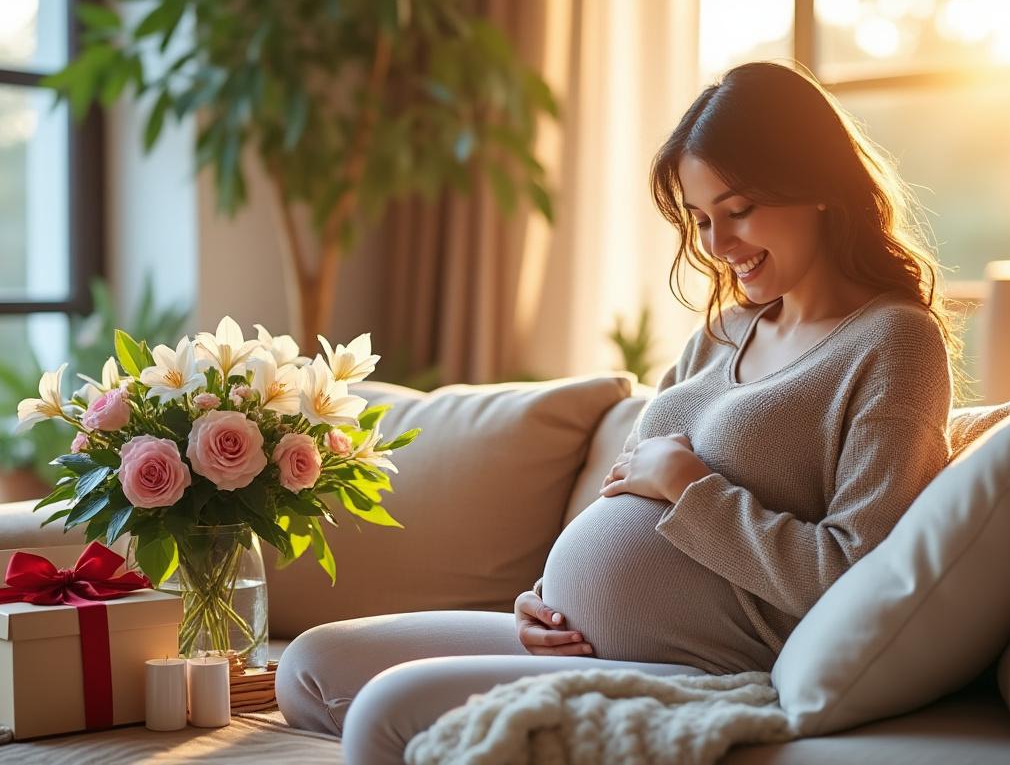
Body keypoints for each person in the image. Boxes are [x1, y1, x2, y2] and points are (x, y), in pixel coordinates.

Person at [276, 61, 958, 764]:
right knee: (309, 669)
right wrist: (540, 600)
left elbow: (857, 578)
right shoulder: (723, 331)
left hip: (702, 667)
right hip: (575, 638)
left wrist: (692, 486)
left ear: (815, 183)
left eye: (739, 209)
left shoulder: (894, 341)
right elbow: (620, 497)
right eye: (700, 220)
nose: (718, 247)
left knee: (383, 714)